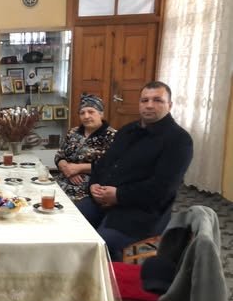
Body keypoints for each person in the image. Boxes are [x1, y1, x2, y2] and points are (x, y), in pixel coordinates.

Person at [76, 81, 193, 262]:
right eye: (144, 100)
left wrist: (118, 195)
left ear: (170, 105)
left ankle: (105, 278)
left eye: (157, 100)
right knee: (67, 224)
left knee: (98, 247)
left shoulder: (179, 140)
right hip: (103, 201)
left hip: (140, 213)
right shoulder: (126, 131)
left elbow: (162, 190)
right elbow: (103, 165)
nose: (149, 105)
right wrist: (93, 186)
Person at [54, 94, 116, 201]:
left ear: (101, 114)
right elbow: (59, 156)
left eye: (91, 112)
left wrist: (79, 168)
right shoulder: (73, 132)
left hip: (90, 188)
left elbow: (112, 166)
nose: (86, 116)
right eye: (82, 113)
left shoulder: (112, 136)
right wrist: (67, 169)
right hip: (62, 181)